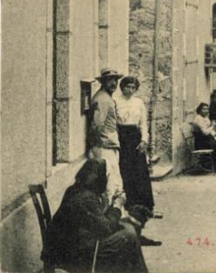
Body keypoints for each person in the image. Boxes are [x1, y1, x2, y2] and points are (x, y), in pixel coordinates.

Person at [43, 159, 149, 273]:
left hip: (70, 247)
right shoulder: (85, 198)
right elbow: (105, 228)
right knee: (129, 235)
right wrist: (117, 206)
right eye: (105, 176)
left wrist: (111, 205)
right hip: (71, 254)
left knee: (127, 230)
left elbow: (97, 220)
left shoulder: (76, 189)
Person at [116, 77, 158, 222]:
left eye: (133, 87)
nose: (130, 90)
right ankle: (130, 206)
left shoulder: (138, 102)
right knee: (125, 170)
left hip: (135, 137)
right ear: (122, 87)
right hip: (122, 137)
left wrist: (144, 140)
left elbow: (143, 124)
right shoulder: (115, 101)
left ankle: (146, 207)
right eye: (127, 87)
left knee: (140, 171)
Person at [90, 68, 125, 204]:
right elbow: (97, 124)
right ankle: (109, 213)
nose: (114, 83)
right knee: (110, 184)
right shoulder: (103, 99)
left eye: (115, 80)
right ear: (103, 82)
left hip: (109, 145)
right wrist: (95, 144)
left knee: (114, 182)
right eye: (110, 80)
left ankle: (114, 211)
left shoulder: (107, 97)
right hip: (104, 146)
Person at [192, 103, 216, 175]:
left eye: (207, 109)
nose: (206, 111)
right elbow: (205, 132)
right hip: (201, 141)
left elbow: (210, 130)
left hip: (207, 139)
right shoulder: (198, 118)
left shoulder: (205, 118)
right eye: (203, 109)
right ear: (199, 110)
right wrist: (212, 126)